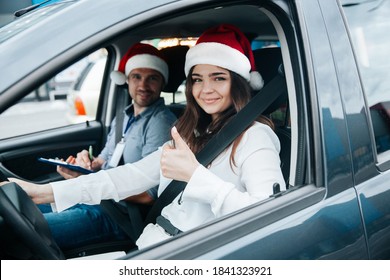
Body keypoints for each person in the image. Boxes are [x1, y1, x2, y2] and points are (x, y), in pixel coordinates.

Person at [3, 24, 285, 250]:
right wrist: (40, 192)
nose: (205, 89)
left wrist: (196, 176)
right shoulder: (193, 131)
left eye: (218, 78)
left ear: (240, 82)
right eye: (197, 79)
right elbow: (128, 176)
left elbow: (272, 219)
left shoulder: (256, 137)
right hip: (151, 244)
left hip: (195, 253)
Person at [37, 42, 177, 251]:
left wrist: (87, 180)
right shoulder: (123, 116)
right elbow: (104, 159)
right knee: (23, 207)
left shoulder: (161, 122)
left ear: (162, 82)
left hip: (121, 215)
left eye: (153, 78)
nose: (143, 85)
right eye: (137, 77)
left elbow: (149, 195)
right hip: (96, 197)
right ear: (127, 80)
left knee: (29, 227)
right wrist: (86, 163)